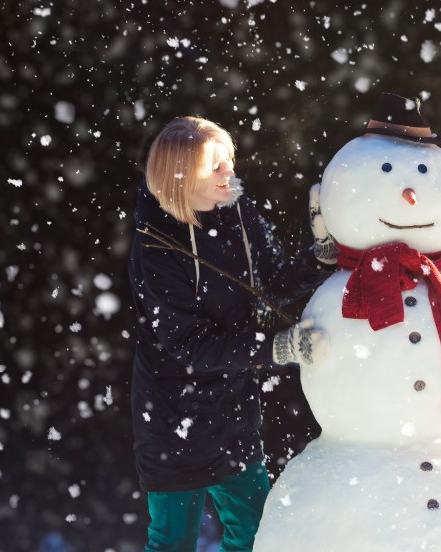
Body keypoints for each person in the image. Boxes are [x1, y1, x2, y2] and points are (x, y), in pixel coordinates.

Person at [127, 116, 328, 551]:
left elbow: (271, 285)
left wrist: (322, 258)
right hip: (171, 419)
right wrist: (278, 348)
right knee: (173, 541)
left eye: (229, 161)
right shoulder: (155, 244)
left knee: (257, 532)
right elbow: (189, 346)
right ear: (181, 175)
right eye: (216, 166)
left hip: (232, 410)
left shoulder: (238, 210)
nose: (230, 173)